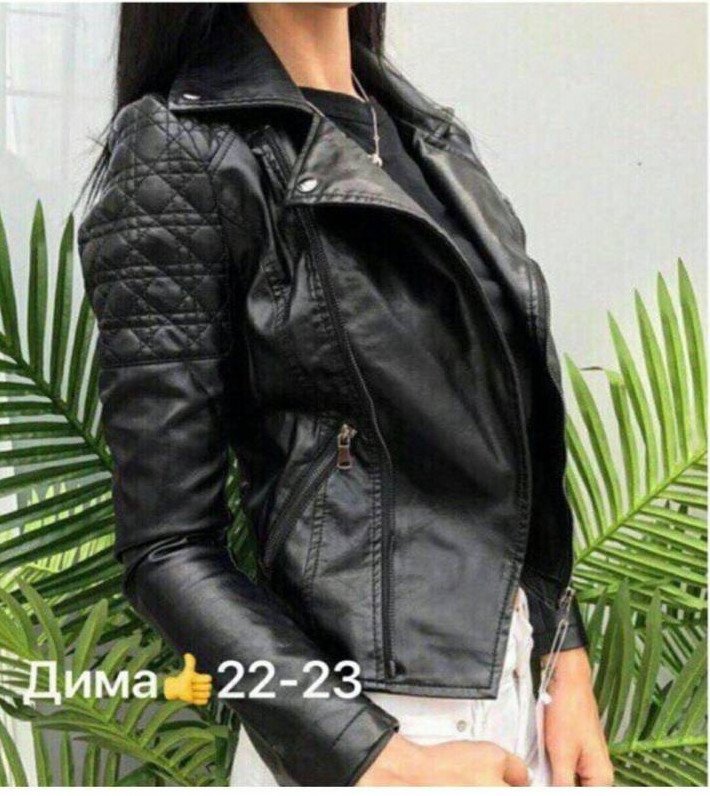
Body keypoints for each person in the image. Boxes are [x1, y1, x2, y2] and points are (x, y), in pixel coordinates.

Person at [78, 2, 613, 787]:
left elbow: (510, 447)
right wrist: (372, 756)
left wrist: (565, 659)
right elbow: (166, 548)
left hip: (517, 707)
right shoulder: (180, 147)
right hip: (371, 726)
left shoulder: (428, 137)